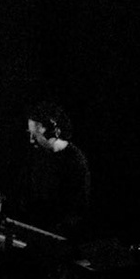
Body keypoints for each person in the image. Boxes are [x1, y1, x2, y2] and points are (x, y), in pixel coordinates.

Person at [20, 101, 91, 238]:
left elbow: (77, 209)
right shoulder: (34, 156)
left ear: (51, 132)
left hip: (58, 236)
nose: (31, 140)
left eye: (35, 135)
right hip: (33, 231)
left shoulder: (75, 161)